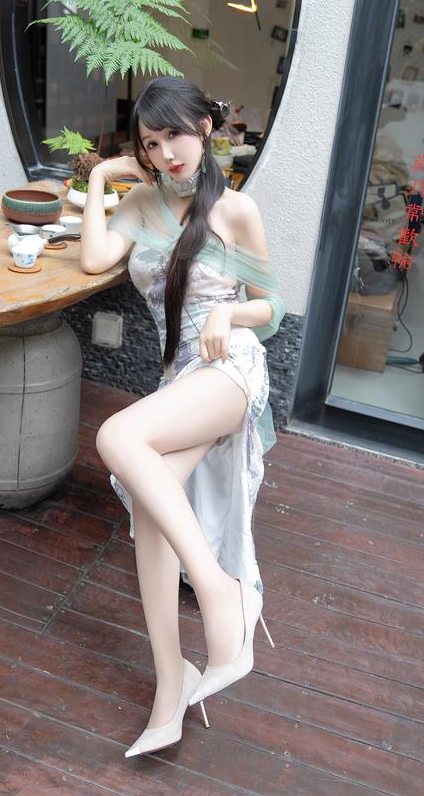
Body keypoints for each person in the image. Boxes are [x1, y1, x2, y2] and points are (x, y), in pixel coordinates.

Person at [80, 76, 284, 759]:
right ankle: (171, 683)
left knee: (115, 433)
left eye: (175, 134)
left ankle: (223, 594)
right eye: (150, 143)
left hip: (230, 370)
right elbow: (93, 258)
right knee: (150, 500)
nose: (166, 153)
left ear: (205, 128)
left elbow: (274, 307)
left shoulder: (235, 209)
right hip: (180, 379)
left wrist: (231, 311)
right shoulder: (141, 202)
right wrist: (104, 176)